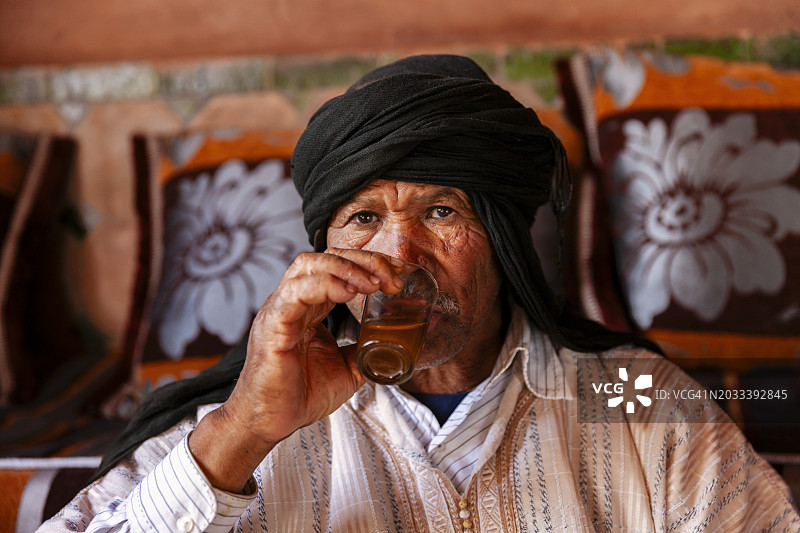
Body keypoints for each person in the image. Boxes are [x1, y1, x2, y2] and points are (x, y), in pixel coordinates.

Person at [40, 55, 798, 533]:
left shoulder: (620, 392)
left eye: (441, 211)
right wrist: (242, 430)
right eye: (364, 217)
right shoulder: (251, 426)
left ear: (501, 238)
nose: (399, 255)